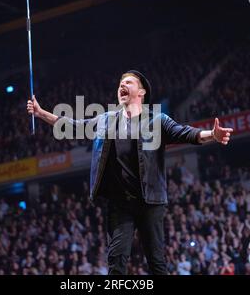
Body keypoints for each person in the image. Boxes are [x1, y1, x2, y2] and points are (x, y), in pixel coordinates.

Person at [27, 70, 233, 274]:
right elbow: (73, 127)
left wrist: (212, 135)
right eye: (120, 83)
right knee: (116, 261)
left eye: (128, 82)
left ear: (141, 92)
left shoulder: (157, 120)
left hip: (150, 201)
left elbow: (187, 133)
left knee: (156, 262)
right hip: (120, 203)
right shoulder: (106, 121)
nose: (122, 86)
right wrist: (41, 112)